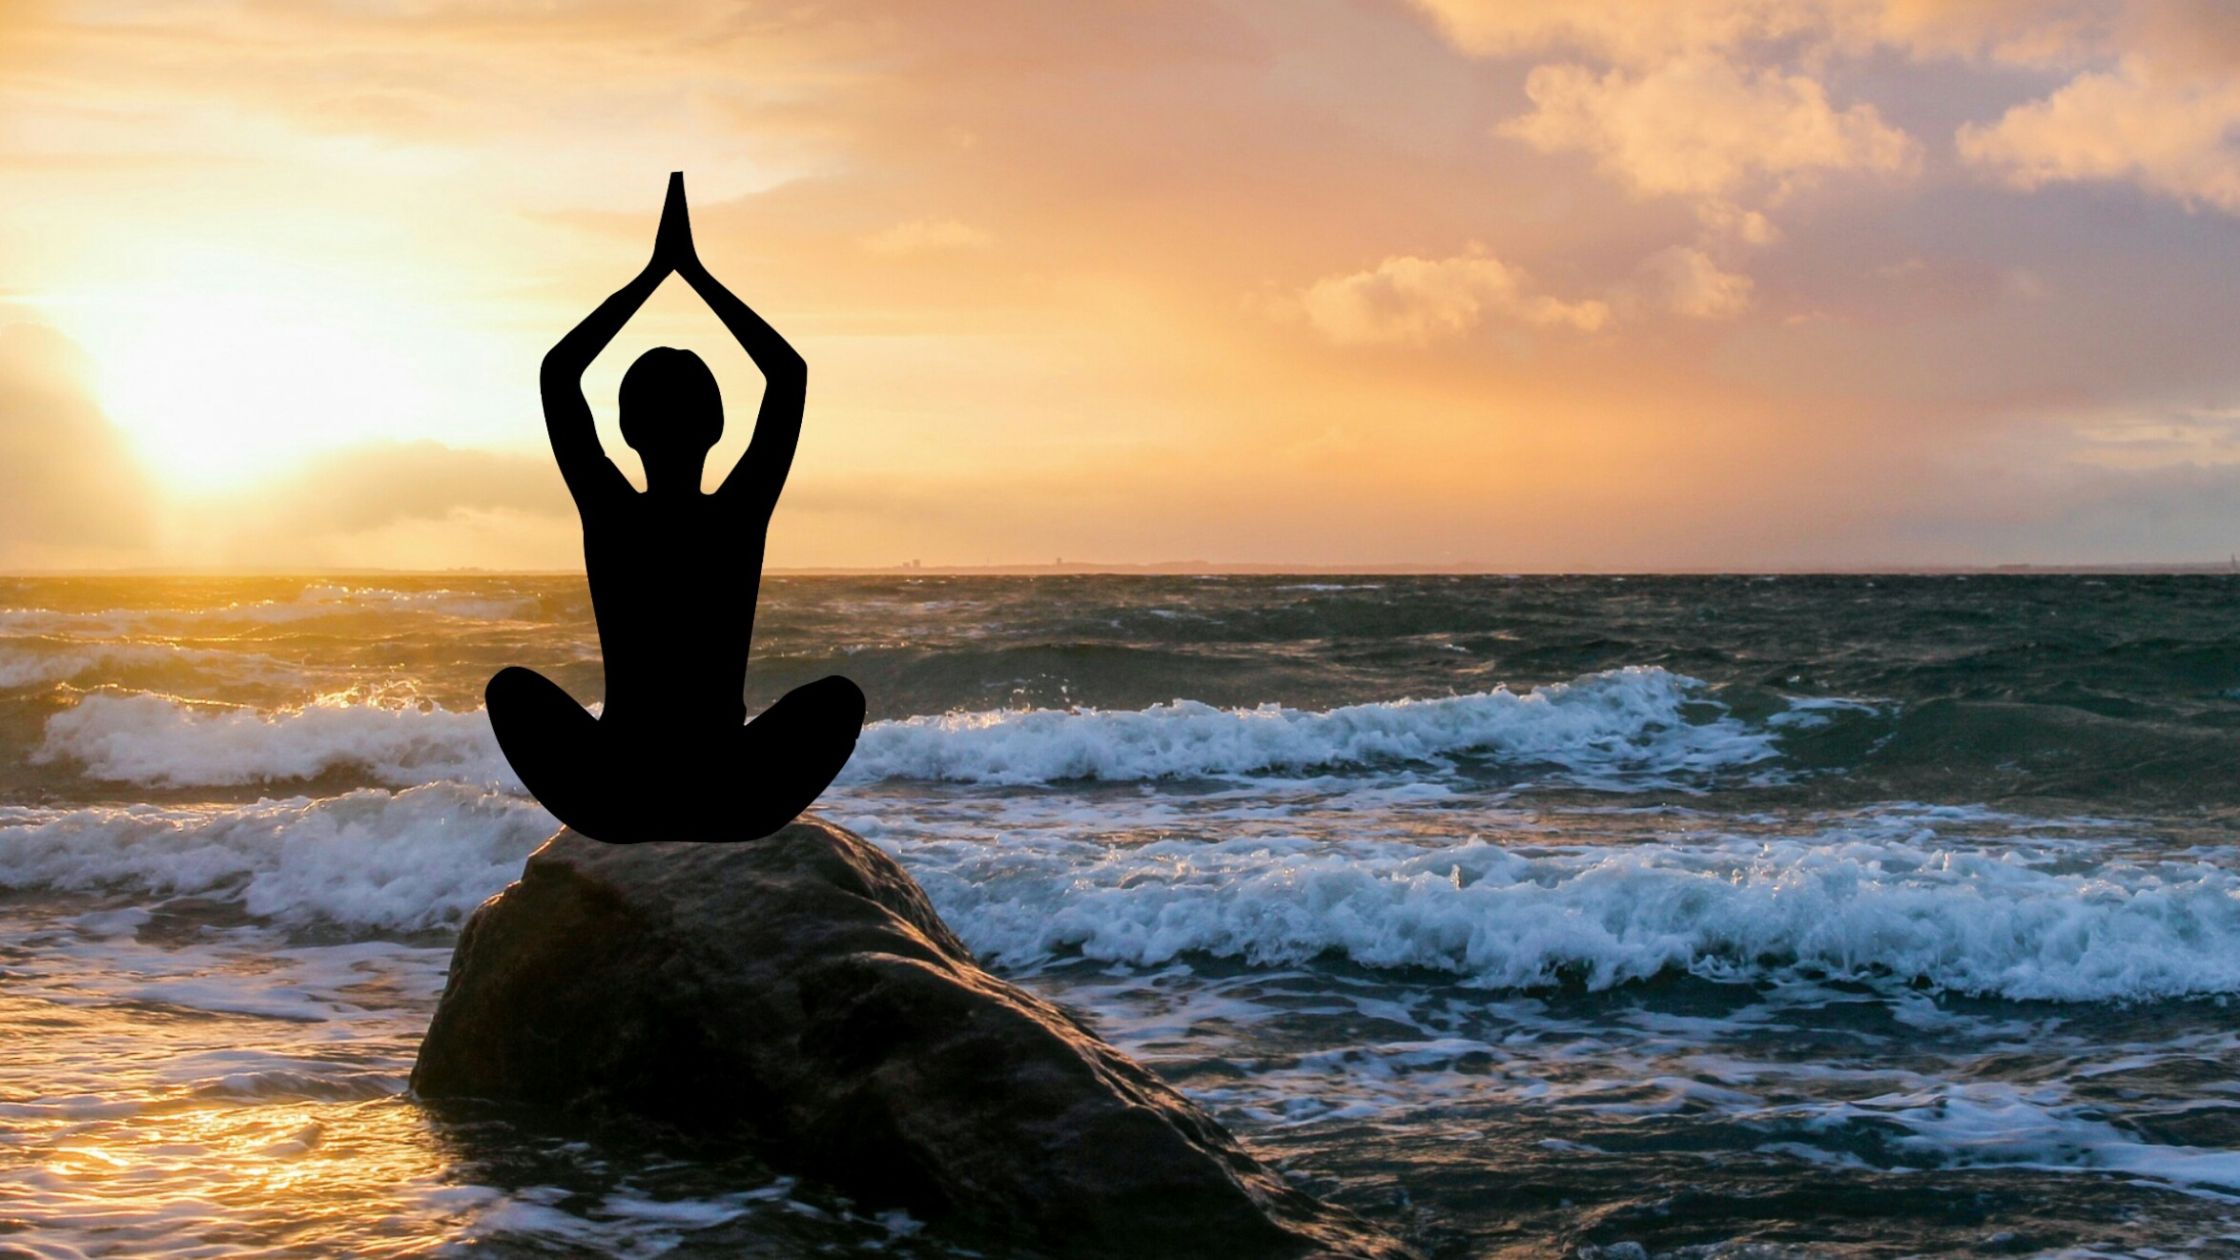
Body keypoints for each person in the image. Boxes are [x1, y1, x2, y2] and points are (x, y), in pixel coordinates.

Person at [486, 172, 865, 844]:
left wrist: (653, 275)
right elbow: (788, 375)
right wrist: (696, 275)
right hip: (726, 797)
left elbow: (558, 373)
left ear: (628, 431)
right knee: (841, 699)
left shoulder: (609, 510)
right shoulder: (740, 512)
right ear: (717, 429)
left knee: (509, 689)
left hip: (617, 798)